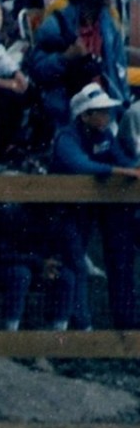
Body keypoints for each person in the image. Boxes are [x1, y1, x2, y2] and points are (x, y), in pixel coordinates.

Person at [51, 82, 140, 330]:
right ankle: (82, 328)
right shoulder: (67, 137)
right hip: (61, 211)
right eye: (100, 111)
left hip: (89, 209)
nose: (107, 115)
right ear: (85, 115)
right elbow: (80, 164)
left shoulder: (105, 135)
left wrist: (129, 167)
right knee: (76, 264)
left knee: (104, 260)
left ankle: (118, 321)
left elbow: (122, 159)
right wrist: (116, 170)